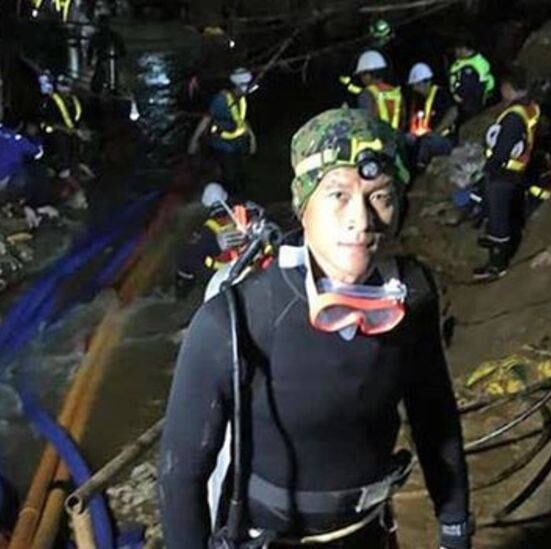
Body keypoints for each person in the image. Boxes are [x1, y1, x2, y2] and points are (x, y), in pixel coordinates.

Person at [158, 108, 472, 548]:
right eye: (338, 194)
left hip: (368, 532)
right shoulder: (237, 319)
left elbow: (434, 416)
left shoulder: (413, 296)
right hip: (270, 539)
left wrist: (455, 526)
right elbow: (181, 476)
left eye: (380, 196)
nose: (361, 221)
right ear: (302, 207)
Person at [473, 68, 540, 281]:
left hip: (503, 173)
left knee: (498, 218)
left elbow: (504, 146)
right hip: (515, 171)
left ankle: (497, 264)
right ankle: (497, 245)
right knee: (501, 212)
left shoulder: (514, 116)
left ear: (509, 88)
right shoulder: (530, 107)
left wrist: (490, 168)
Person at [174, 182, 266, 298]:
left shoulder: (207, 231)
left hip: (236, 276)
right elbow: (188, 259)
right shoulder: (209, 232)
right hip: (234, 276)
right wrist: (214, 244)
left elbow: (187, 262)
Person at [188, 67, 257, 195]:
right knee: (230, 177)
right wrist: (194, 140)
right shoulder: (221, 100)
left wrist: (252, 138)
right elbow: (206, 119)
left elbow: (241, 120)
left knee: (241, 175)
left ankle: (241, 195)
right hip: (223, 145)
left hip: (239, 143)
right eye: (246, 85)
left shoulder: (241, 99)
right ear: (238, 85)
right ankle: (229, 196)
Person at [0, 110, 48, 204]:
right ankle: (24, 200)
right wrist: (36, 137)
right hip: (3, 182)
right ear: (20, 126)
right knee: (35, 170)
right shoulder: (18, 141)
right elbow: (38, 154)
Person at [405, 62, 458, 169]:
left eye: (417, 85)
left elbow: (453, 112)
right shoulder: (419, 101)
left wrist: (435, 132)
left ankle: (421, 167)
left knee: (428, 142)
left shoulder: (441, 95)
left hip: (445, 140)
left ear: (426, 82)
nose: (415, 89)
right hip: (426, 139)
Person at [352, 50, 404, 131]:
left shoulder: (367, 93)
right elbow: (403, 120)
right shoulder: (396, 92)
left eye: (362, 75)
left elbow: (366, 122)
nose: (361, 79)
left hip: (377, 137)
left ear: (368, 75)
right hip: (397, 137)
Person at [448, 38, 496, 123]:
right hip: (460, 103)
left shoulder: (476, 65)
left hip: (469, 107)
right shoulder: (463, 60)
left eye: (457, 49)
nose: (455, 52)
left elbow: (476, 90)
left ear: (464, 48)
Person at [89, 13, 126, 95]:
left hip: (111, 61)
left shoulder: (114, 36)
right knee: (98, 83)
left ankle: (112, 91)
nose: (102, 26)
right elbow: (90, 50)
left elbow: (122, 51)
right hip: (102, 61)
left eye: (104, 23)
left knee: (112, 82)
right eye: (101, 23)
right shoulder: (97, 36)